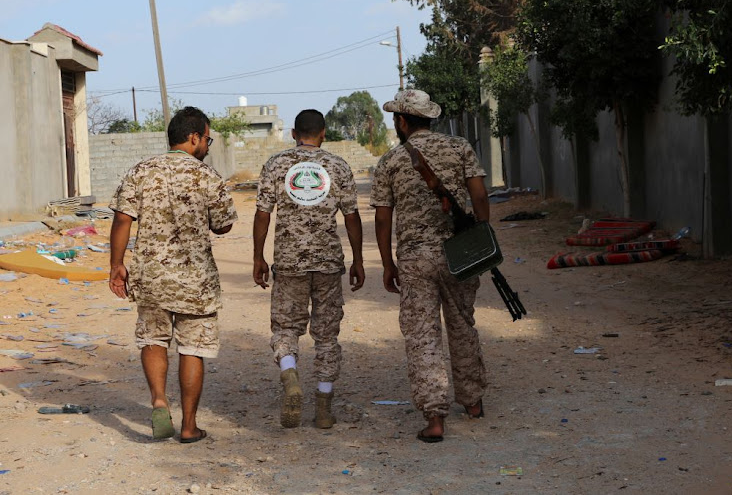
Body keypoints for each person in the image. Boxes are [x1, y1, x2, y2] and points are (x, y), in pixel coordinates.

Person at [109, 106, 237, 443]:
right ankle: (189, 425)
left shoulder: (140, 171)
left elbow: (123, 220)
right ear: (194, 137)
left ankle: (159, 401)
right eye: (207, 139)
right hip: (196, 281)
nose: (208, 146)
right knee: (192, 347)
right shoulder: (208, 176)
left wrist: (116, 264)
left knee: (153, 338)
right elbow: (223, 225)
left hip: (151, 277)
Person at [370, 90, 490, 443]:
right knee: (463, 324)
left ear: (403, 122)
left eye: (396, 119)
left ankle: (435, 416)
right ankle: (472, 402)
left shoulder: (391, 161)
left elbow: (382, 219)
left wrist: (387, 264)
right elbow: (480, 196)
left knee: (423, 336)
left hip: (415, 258)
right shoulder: (460, 148)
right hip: (460, 254)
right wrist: (481, 237)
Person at [253, 109, 364, 429]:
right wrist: (357, 259)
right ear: (324, 133)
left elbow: (263, 214)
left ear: (293, 134)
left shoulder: (276, 165)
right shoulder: (338, 166)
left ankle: (290, 376)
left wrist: (258, 256)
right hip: (328, 262)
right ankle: (324, 407)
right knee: (327, 335)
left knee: (285, 329)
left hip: (289, 264)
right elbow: (352, 217)